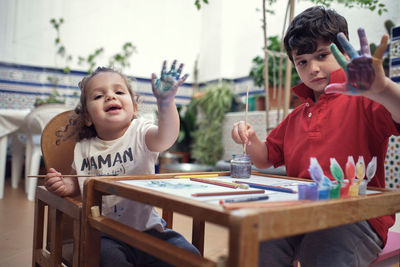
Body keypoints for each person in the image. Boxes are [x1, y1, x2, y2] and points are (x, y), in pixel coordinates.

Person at [232, 6, 400, 267]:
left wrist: (382, 89)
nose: (313, 68)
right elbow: (265, 158)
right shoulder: (297, 116)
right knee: (257, 243)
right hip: (299, 212)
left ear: (344, 53)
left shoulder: (366, 102)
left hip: (357, 217)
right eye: (302, 61)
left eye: (322, 55)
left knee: (322, 250)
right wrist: (251, 140)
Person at [44, 61, 200, 266]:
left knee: (190, 255)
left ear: (134, 109)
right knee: (109, 260)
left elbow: (166, 137)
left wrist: (165, 103)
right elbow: (78, 182)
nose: (110, 96)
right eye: (99, 96)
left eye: (119, 91)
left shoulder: (141, 133)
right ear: (88, 117)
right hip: (104, 233)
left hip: (150, 230)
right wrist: (66, 185)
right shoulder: (84, 147)